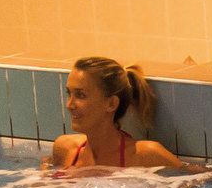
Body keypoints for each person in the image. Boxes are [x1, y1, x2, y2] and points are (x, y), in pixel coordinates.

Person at [44, 56, 192, 174]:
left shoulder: (145, 155)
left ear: (111, 104)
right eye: (69, 93)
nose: (69, 105)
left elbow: (202, 178)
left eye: (80, 95)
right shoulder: (65, 149)